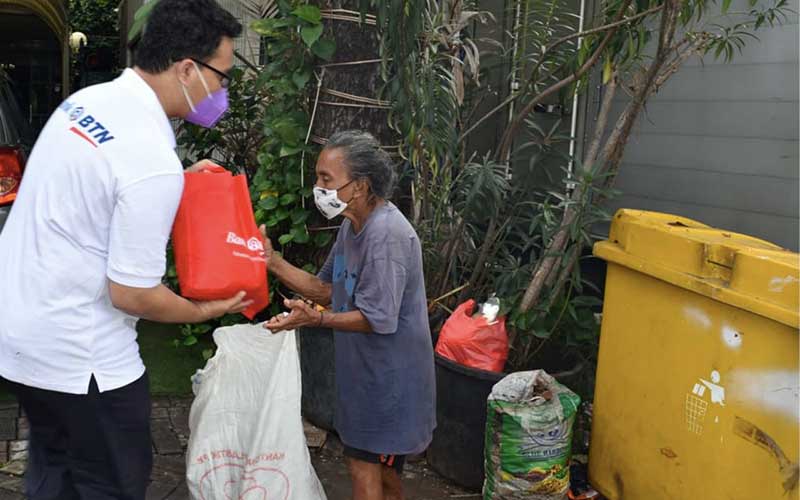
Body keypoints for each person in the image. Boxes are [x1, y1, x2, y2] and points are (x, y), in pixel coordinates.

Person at [0, 1, 249, 498]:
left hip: (21, 338)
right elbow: (132, 294)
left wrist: (173, 182)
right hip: (85, 360)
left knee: (54, 477)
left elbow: (93, 192)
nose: (222, 90)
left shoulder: (87, 104)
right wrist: (204, 311)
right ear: (186, 69)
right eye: (222, 75)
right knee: (110, 484)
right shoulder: (148, 156)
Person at [262, 130, 437, 500]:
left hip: (390, 383)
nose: (318, 187)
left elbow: (378, 318)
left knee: (365, 472)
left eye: (326, 179)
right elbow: (327, 290)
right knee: (382, 478)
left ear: (358, 186)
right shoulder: (351, 226)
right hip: (364, 378)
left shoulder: (386, 236)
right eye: (318, 177)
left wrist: (316, 320)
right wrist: (272, 261)